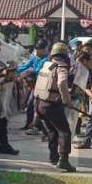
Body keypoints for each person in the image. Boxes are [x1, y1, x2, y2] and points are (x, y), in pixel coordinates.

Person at [34, 42, 76, 172]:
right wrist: (67, 100)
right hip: (52, 104)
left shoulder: (47, 65)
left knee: (52, 130)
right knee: (64, 131)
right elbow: (62, 82)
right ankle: (63, 161)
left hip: (41, 102)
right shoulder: (61, 66)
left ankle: (53, 156)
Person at [17, 40, 48, 130]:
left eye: (39, 50)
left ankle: (39, 126)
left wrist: (28, 72)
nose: (37, 52)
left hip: (42, 85)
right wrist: (15, 69)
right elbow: (25, 66)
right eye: (37, 49)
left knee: (37, 106)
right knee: (30, 104)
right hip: (34, 84)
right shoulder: (34, 58)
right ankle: (29, 124)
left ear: (44, 50)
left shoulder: (46, 60)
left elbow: (38, 70)